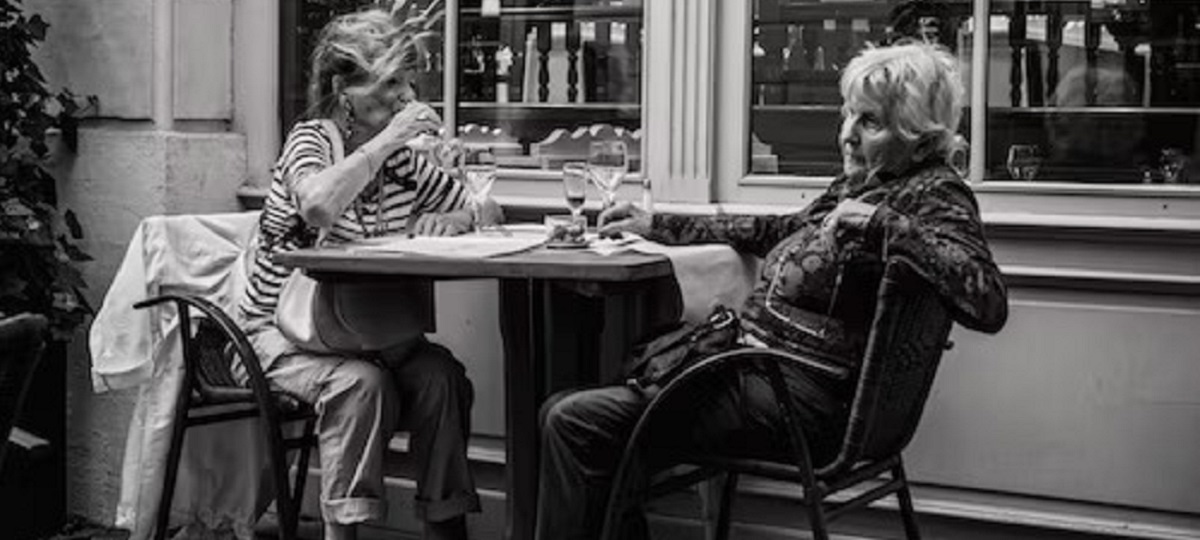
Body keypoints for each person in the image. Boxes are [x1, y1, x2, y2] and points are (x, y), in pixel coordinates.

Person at [534, 41, 1008, 540]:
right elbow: (775, 230)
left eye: (869, 123)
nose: (846, 135)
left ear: (916, 135)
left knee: (575, 422)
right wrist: (659, 224)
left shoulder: (935, 193)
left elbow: (990, 303)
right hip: (762, 379)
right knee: (576, 417)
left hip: (799, 401)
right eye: (848, 115)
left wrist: (887, 227)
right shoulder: (862, 184)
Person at [237, 8, 483, 540]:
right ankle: (341, 532)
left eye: (408, 80)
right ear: (342, 87)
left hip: (370, 335)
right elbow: (319, 206)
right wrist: (388, 140)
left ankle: (447, 527)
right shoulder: (312, 140)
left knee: (441, 376)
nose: (405, 93)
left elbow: (485, 208)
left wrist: (455, 214)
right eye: (390, 80)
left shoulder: (401, 162)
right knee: (359, 384)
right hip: (279, 338)